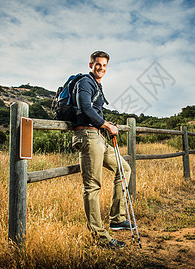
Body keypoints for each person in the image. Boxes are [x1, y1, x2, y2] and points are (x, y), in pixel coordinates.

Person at [72, 51, 132, 249]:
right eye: (98, 64)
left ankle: (117, 218)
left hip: (98, 137)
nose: (101, 68)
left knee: (124, 168)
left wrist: (105, 126)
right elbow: (85, 108)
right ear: (91, 64)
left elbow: (94, 111)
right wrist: (106, 125)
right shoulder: (85, 82)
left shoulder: (97, 84)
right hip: (88, 137)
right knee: (92, 186)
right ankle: (99, 236)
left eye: (104, 65)